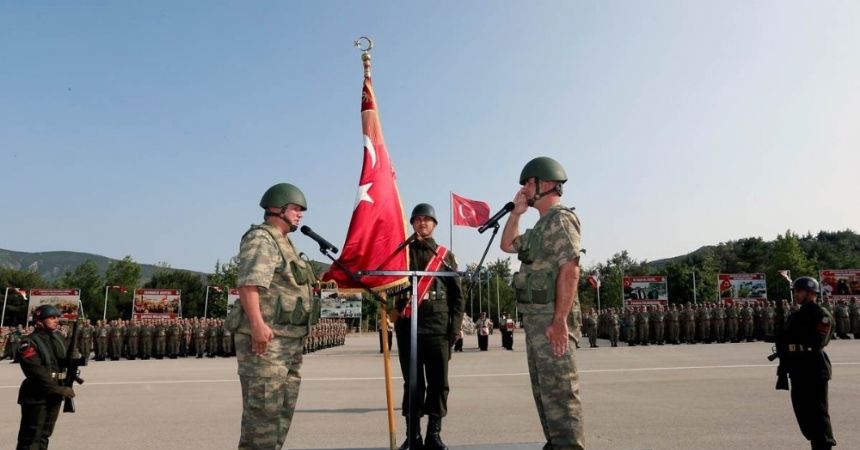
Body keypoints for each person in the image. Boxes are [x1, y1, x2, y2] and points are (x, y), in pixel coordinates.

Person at [502, 156, 585, 450]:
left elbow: (570, 269)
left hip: (552, 319)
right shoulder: (541, 226)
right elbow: (507, 244)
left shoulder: (560, 219)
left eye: (528, 183)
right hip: (538, 320)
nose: (524, 188)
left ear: (546, 183)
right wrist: (516, 214)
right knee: (545, 391)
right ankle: (556, 443)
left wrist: (560, 320)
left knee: (561, 391)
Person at [228, 182, 319, 450]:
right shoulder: (262, 238)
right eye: (295, 208)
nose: (300, 214)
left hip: (288, 341)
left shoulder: (285, 243)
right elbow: (249, 284)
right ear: (277, 208)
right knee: (263, 418)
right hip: (267, 342)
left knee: (280, 414)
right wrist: (257, 325)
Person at [392, 203, 464, 450]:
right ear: (412, 223)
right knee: (412, 384)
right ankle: (413, 435)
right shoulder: (401, 253)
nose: (422, 223)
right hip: (407, 328)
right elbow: (386, 285)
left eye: (427, 219)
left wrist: (454, 328)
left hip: (438, 329)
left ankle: (434, 434)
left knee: (438, 383)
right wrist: (390, 307)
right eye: (418, 219)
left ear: (434, 224)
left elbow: (457, 296)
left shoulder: (445, 255)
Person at [777, 277, 837, 450]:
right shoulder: (796, 315)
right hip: (797, 368)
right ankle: (816, 444)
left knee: (818, 413)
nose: (795, 294)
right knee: (804, 414)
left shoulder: (821, 315)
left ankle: (824, 445)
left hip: (814, 368)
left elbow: (818, 341)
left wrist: (793, 341)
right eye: (795, 291)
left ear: (811, 293)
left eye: (799, 291)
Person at [15, 305, 76, 450]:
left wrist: (75, 359)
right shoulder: (28, 343)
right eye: (52, 318)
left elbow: (62, 360)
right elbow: (36, 371)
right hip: (37, 395)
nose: (56, 320)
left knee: (44, 435)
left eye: (57, 317)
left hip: (55, 394)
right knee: (31, 438)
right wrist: (57, 389)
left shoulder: (58, 338)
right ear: (39, 321)